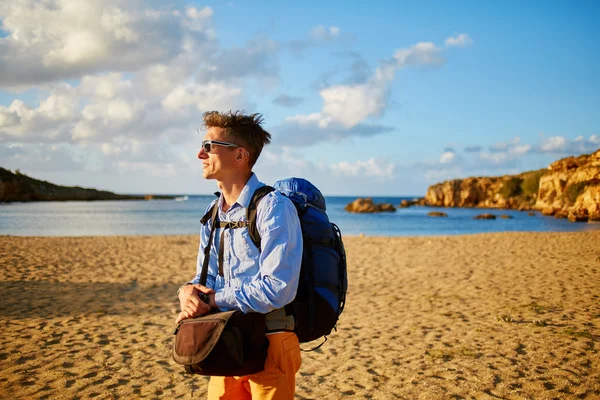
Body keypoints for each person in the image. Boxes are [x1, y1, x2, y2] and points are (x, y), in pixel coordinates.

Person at [176, 111, 303, 400]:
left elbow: (278, 288)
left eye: (209, 146)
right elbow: (205, 278)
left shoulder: (274, 208)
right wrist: (188, 293)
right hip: (223, 339)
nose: (200, 154)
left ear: (240, 155)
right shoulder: (212, 213)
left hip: (270, 341)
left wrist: (213, 299)